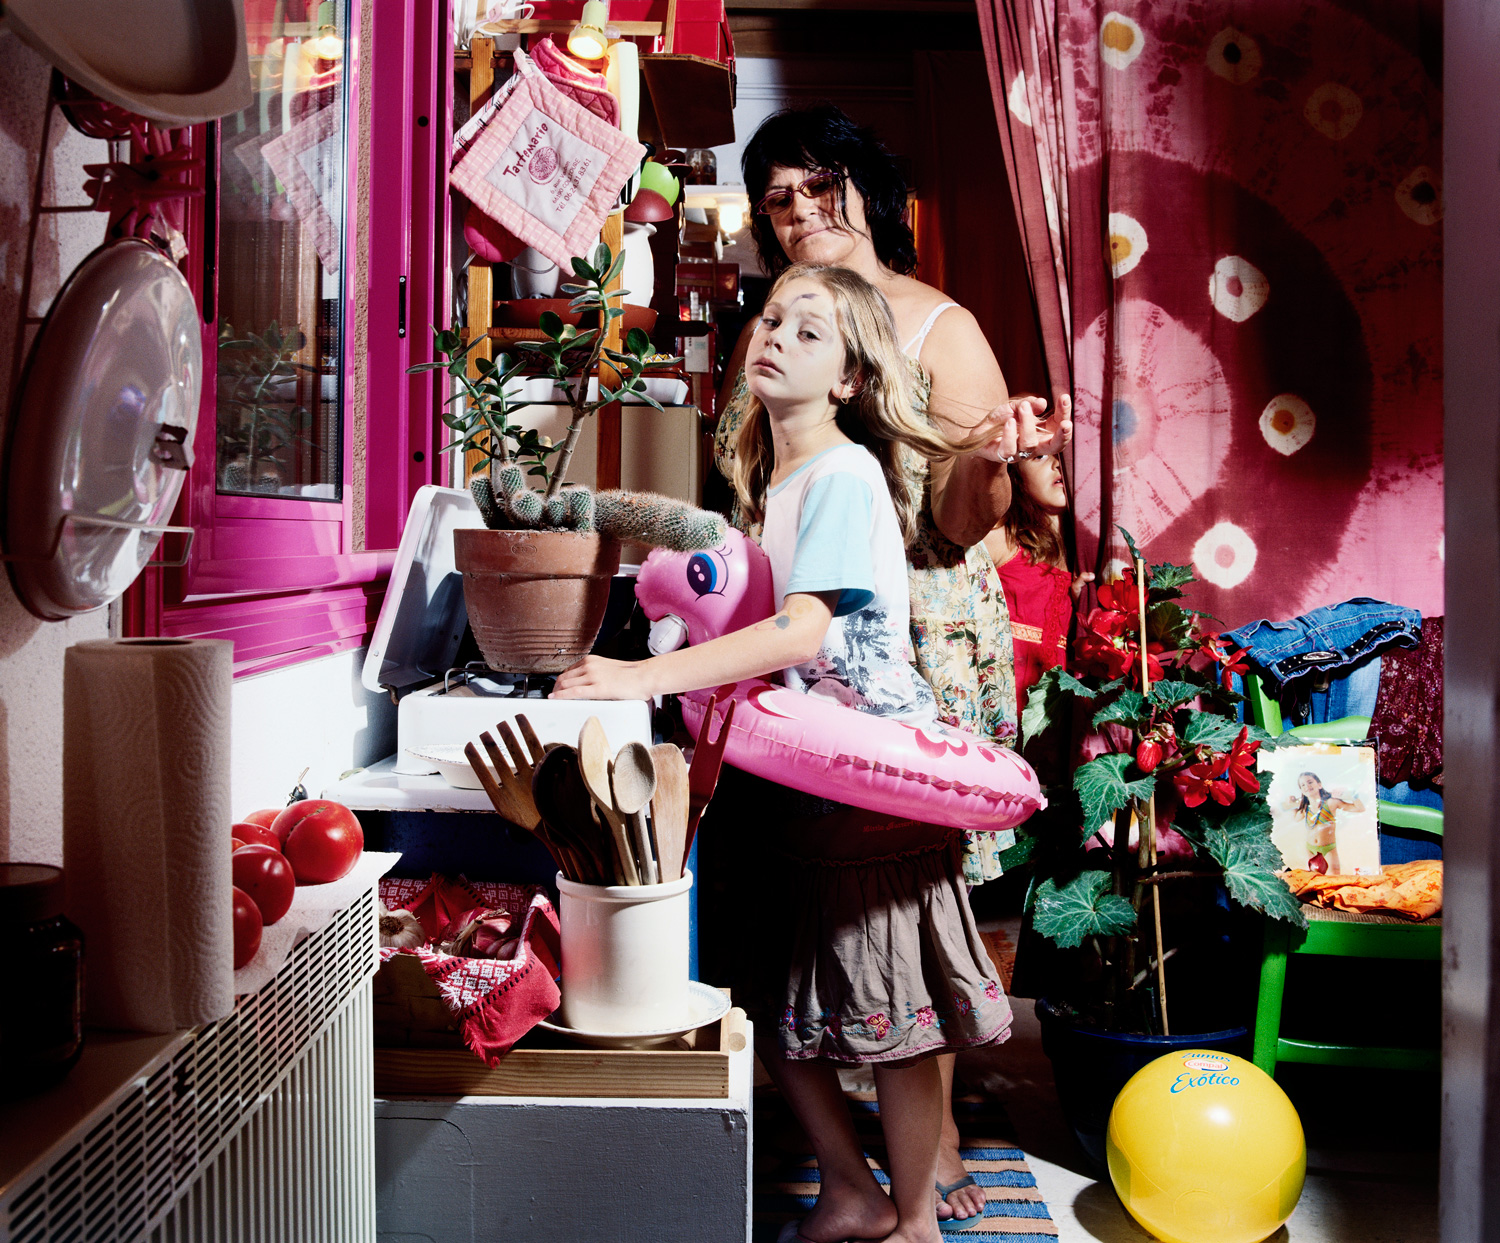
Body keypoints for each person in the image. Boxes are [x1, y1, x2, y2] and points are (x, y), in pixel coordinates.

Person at [556, 263, 1012, 1243]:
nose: (774, 337)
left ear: (850, 379)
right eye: (770, 320)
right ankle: (851, 1189)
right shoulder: (785, 481)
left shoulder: (842, 475)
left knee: (893, 1012)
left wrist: (640, 677)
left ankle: (917, 1221)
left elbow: (803, 630)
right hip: (805, 782)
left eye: (809, 332)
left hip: (870, 792)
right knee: (765, 984)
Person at [713, 104, 1068, 1227]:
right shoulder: (777, 328)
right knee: (821, 907)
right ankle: (873, 1155)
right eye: (778, 199)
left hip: (919, 623)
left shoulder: (937, 325)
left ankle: (937, 1140)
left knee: (915, 899)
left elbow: (965, 519)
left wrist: (995, 458)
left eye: (821, 186)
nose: (800, 211)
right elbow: (744, 480)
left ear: (870, 192)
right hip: (805, 639)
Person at [992, 453, 1093, 710]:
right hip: (1006, 706)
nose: (1059, 464)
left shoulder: (1090, 556)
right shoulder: (1005, 539)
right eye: (1040, 456)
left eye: (1064, 455)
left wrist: (1085, 605)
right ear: (1016, 474)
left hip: (1061, 712)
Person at [1285, 772, 1364, 874]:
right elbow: (1296, 818)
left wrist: (1354, 796)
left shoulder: (1331, 803)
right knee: (1313, 878)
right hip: (1310, 849)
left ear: (1319, 785)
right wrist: (1291, 805)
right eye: (1303, 785)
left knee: (1334, 876)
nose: (1307, 786)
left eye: (1310, 782)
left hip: (1328, 848)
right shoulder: (1306, 808)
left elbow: (1360, 808)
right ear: (1301, 791)